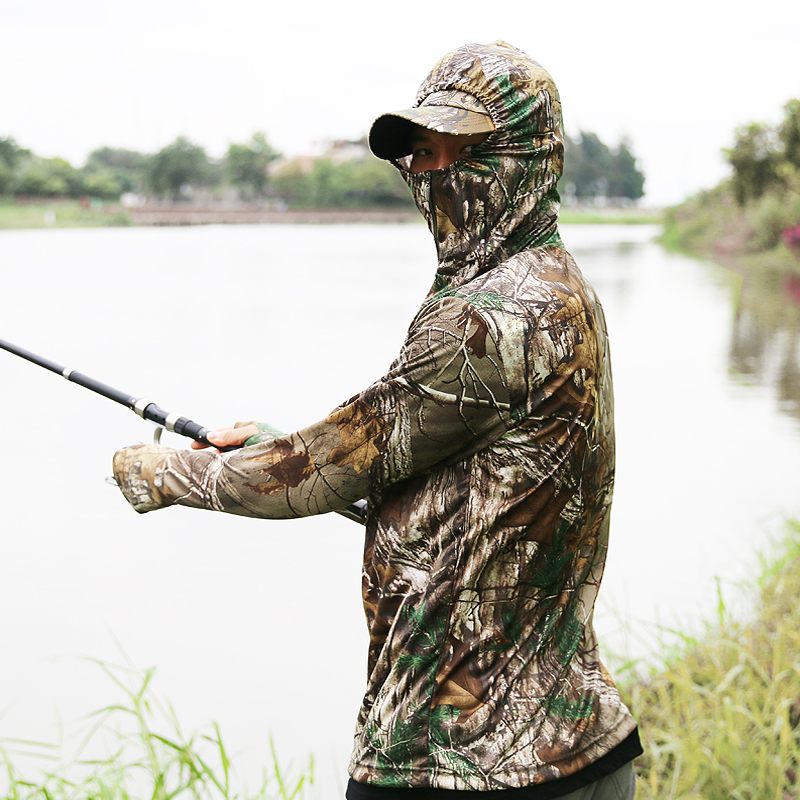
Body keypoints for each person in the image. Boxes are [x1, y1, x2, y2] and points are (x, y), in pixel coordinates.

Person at [113, 40, 642, 800]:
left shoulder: (487, 317)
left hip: (461, 761)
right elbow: (443, 470)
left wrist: (161, 470)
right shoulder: (558, 287)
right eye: (418, 154)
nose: (428, 175)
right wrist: (276, 444)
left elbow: (314, 474)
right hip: (573, 742)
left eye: (451, 152)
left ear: (525, 154)